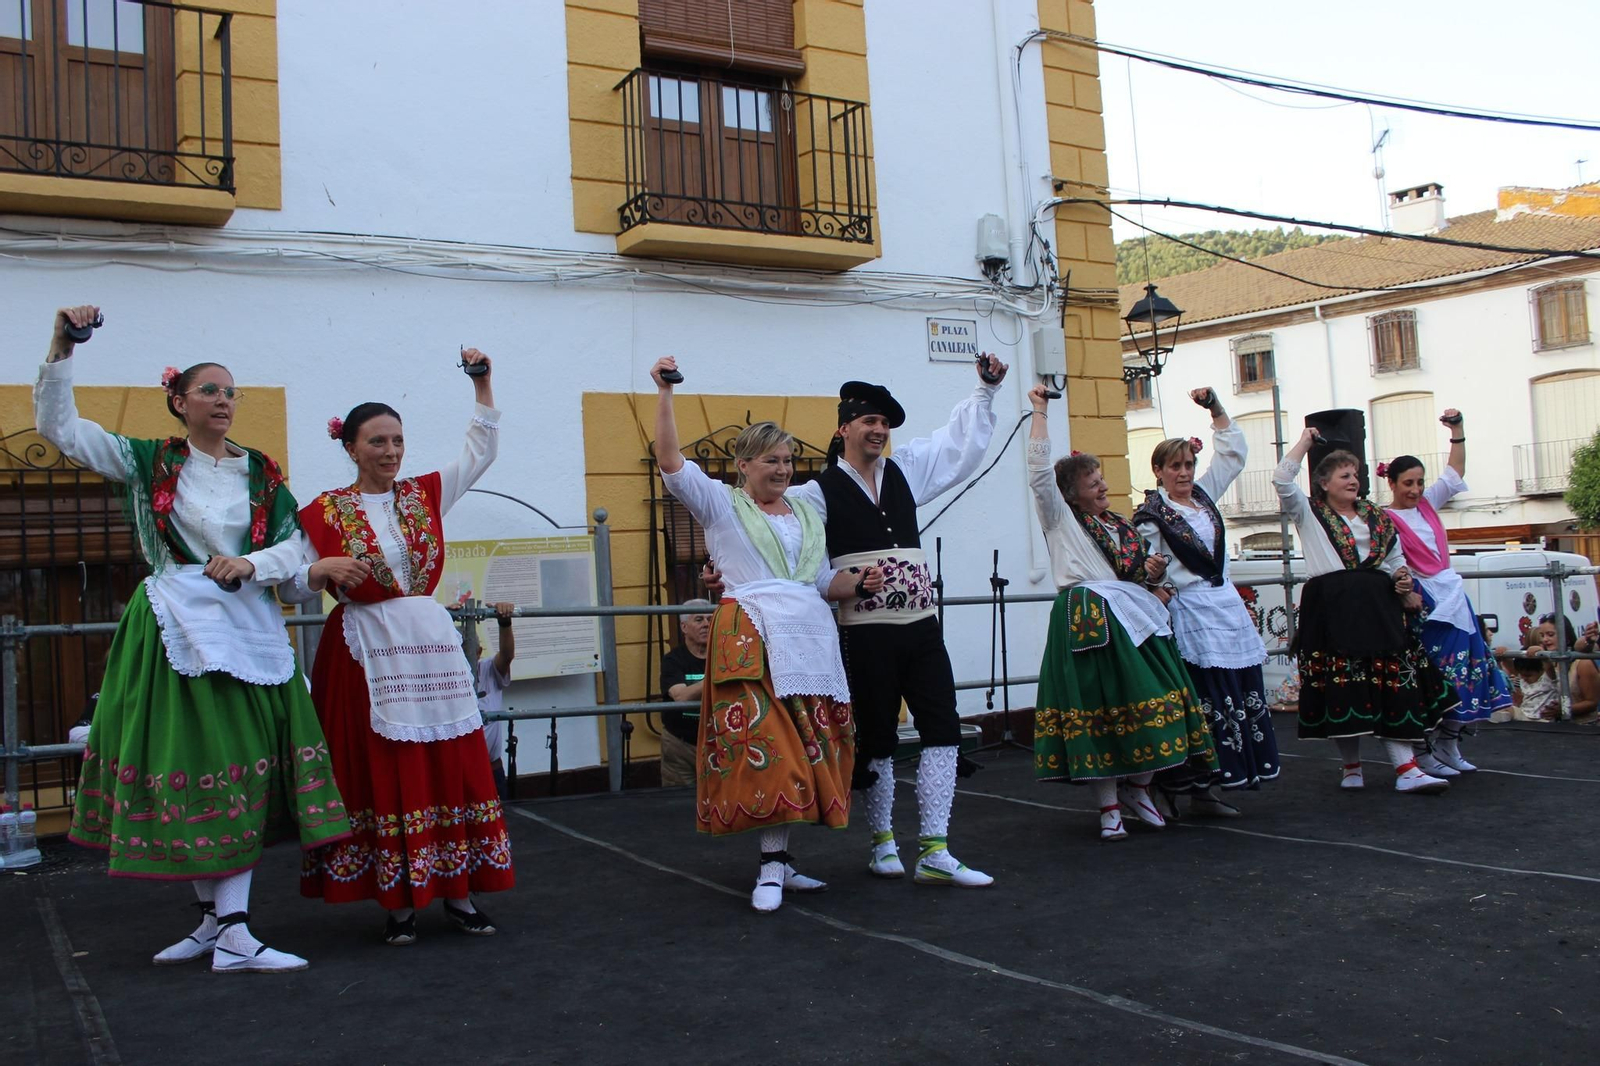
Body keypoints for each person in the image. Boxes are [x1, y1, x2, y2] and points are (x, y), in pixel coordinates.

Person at [35, 304, 352, 973]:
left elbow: (295, 554)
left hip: (247, 627)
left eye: (231, 391)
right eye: (209, 390)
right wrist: (65, 345)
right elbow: (59, 429)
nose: (223, 400)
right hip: (176, 622)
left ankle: (232, 929)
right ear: (177, 401)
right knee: (193, 761)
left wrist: (250, 564)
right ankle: (218, 926)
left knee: (239, 759)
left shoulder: (262, 473)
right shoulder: (149, 460)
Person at [292, 348, 513, 945]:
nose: (390, 451)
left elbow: (480, 452)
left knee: (450, 761)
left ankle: (460, 892)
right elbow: (292, 577)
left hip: (429, 647)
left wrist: (483, 383)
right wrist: (319, 574)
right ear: (351, 448)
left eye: (397, 440)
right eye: (377, 442)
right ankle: (399, 901)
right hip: (364, 647)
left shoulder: (426, 494)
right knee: (385, 767)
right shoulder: (321, 513)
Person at [651, 356, 880, 911]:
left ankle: (781, 862)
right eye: (770, 461)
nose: (782, 470)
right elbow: (670, 461)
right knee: (771, 753)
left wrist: (859, 582)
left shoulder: (805, 512)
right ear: (743, 464)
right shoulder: (720, 505)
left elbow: (821, 579)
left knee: (806, 751)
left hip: (808, 640)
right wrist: (664, 393)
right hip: (750, 636)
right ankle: (772, 868)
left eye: (787, 460)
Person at [784, 358, 1006, 887]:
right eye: (869, 421)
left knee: (943, 727)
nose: (880, 430)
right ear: (844, 428)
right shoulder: (814, 496)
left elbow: (958, 447)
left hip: (921, 626)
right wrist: (844, 584)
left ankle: (934, 848)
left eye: (885, 423)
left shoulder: (905, 470)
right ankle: (882, 841)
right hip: (864, 633)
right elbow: (802, 564)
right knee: (878, 737)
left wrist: (986, 390)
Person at [1026, 386, 1217, 840]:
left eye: (1102, 480)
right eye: (1094, 484)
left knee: (1166, 696)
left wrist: (1151, 577)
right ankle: (1108, 807)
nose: (1104, 488)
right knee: (1100, 710)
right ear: (1070, 494)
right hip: (1089, 615)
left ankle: (1138, 787)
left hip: (1134, 616)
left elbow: (1136, 576)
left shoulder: (1120, 526)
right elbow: (1037, 473)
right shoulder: (1062, 520)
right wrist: (1040, 411)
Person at [1274, 427, 1459, 793]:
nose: (1353, 481)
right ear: (1323, 483)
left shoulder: (1376, 516)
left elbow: (1394, 559)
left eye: (1355, 475)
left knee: (1394, 682)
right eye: (1344, 475)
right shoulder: (1309, 514)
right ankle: (1351, 766)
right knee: (1345, 687)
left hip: (1378, 608)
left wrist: (1402, 580)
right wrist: (1306, 442)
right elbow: (1282, 479)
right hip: (1334, 609)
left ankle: (1406, 768)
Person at [1133, 386, 1279, 818]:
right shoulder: (1150, 518)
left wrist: (1215, 409)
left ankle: (1210, 790)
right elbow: (1143, 570)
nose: (1184, 472)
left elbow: (1233, 455)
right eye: (1175, 466)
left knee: (1233, 694)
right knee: (1201, 699)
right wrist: (1153, 573)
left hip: (1225, 608)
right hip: (1189, 612)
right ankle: (1178, 787)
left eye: (1189, 464)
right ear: (1158, 471)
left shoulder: (1204, 497)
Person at [1380, 408, 1512, 774]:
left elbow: (1454, 473)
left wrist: (1457, 430)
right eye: (1408, 483)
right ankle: (1425, 750)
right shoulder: (1384, 519)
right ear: (1391, 483)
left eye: (1419, 482)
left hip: (1453, 593)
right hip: (1425, 599)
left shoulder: (1427, 506)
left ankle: (1449, 745)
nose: (1416, 490)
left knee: (1468, 668)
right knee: (1436, 673)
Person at [659, 600, 713, 788]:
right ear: (684, 627)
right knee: (678, 804)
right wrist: (714, 678)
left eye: (709, 619)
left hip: (717, 743)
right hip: (680, 746)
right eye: (698, 619)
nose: (706, 624)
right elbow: (680, 696)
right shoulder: (673, 660)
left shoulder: (723, 656)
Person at [475, 601, 516, 800]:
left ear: (478, 652)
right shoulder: (445, 676)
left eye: (468, 649)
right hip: (463, 771)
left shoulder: (488, 670)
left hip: (492, 770)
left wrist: (505, 623)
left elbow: (507, 655)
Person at [1530, 614, 1600, 720]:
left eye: (1550, 634)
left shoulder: (1583, 663)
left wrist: (1564, 710)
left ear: (1566, 636)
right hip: (1562, 726)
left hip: (1586, 728)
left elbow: (1591, 703)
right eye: (1542, 635)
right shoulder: (1553, 661)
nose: (1545, 639)